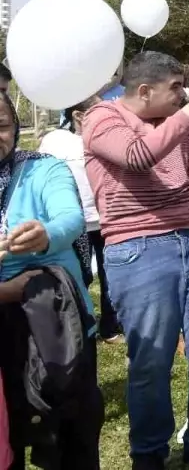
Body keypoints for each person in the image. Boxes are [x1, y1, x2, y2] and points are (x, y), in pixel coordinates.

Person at [82, 52, 189, 469]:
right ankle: (150, 456)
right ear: (144, 91)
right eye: (176, 88)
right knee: (152, 361)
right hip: (138, 247)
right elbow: (138, 155)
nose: (184, 96)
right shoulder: (102, 119)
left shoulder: (177, 125)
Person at [0, 91, 104, 469]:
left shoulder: (43, 168)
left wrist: (46, 233)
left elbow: (70, 217)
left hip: (55, 323)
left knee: (71, 435)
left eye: (2, 125)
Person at [38, 95, 122, 343]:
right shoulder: (56, 141)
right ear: (78, 116)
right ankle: (80, 323)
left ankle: (109, 326)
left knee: (110, 276)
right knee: (80, 275)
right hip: (74, 225)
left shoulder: (108, 140)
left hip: (106, 220)